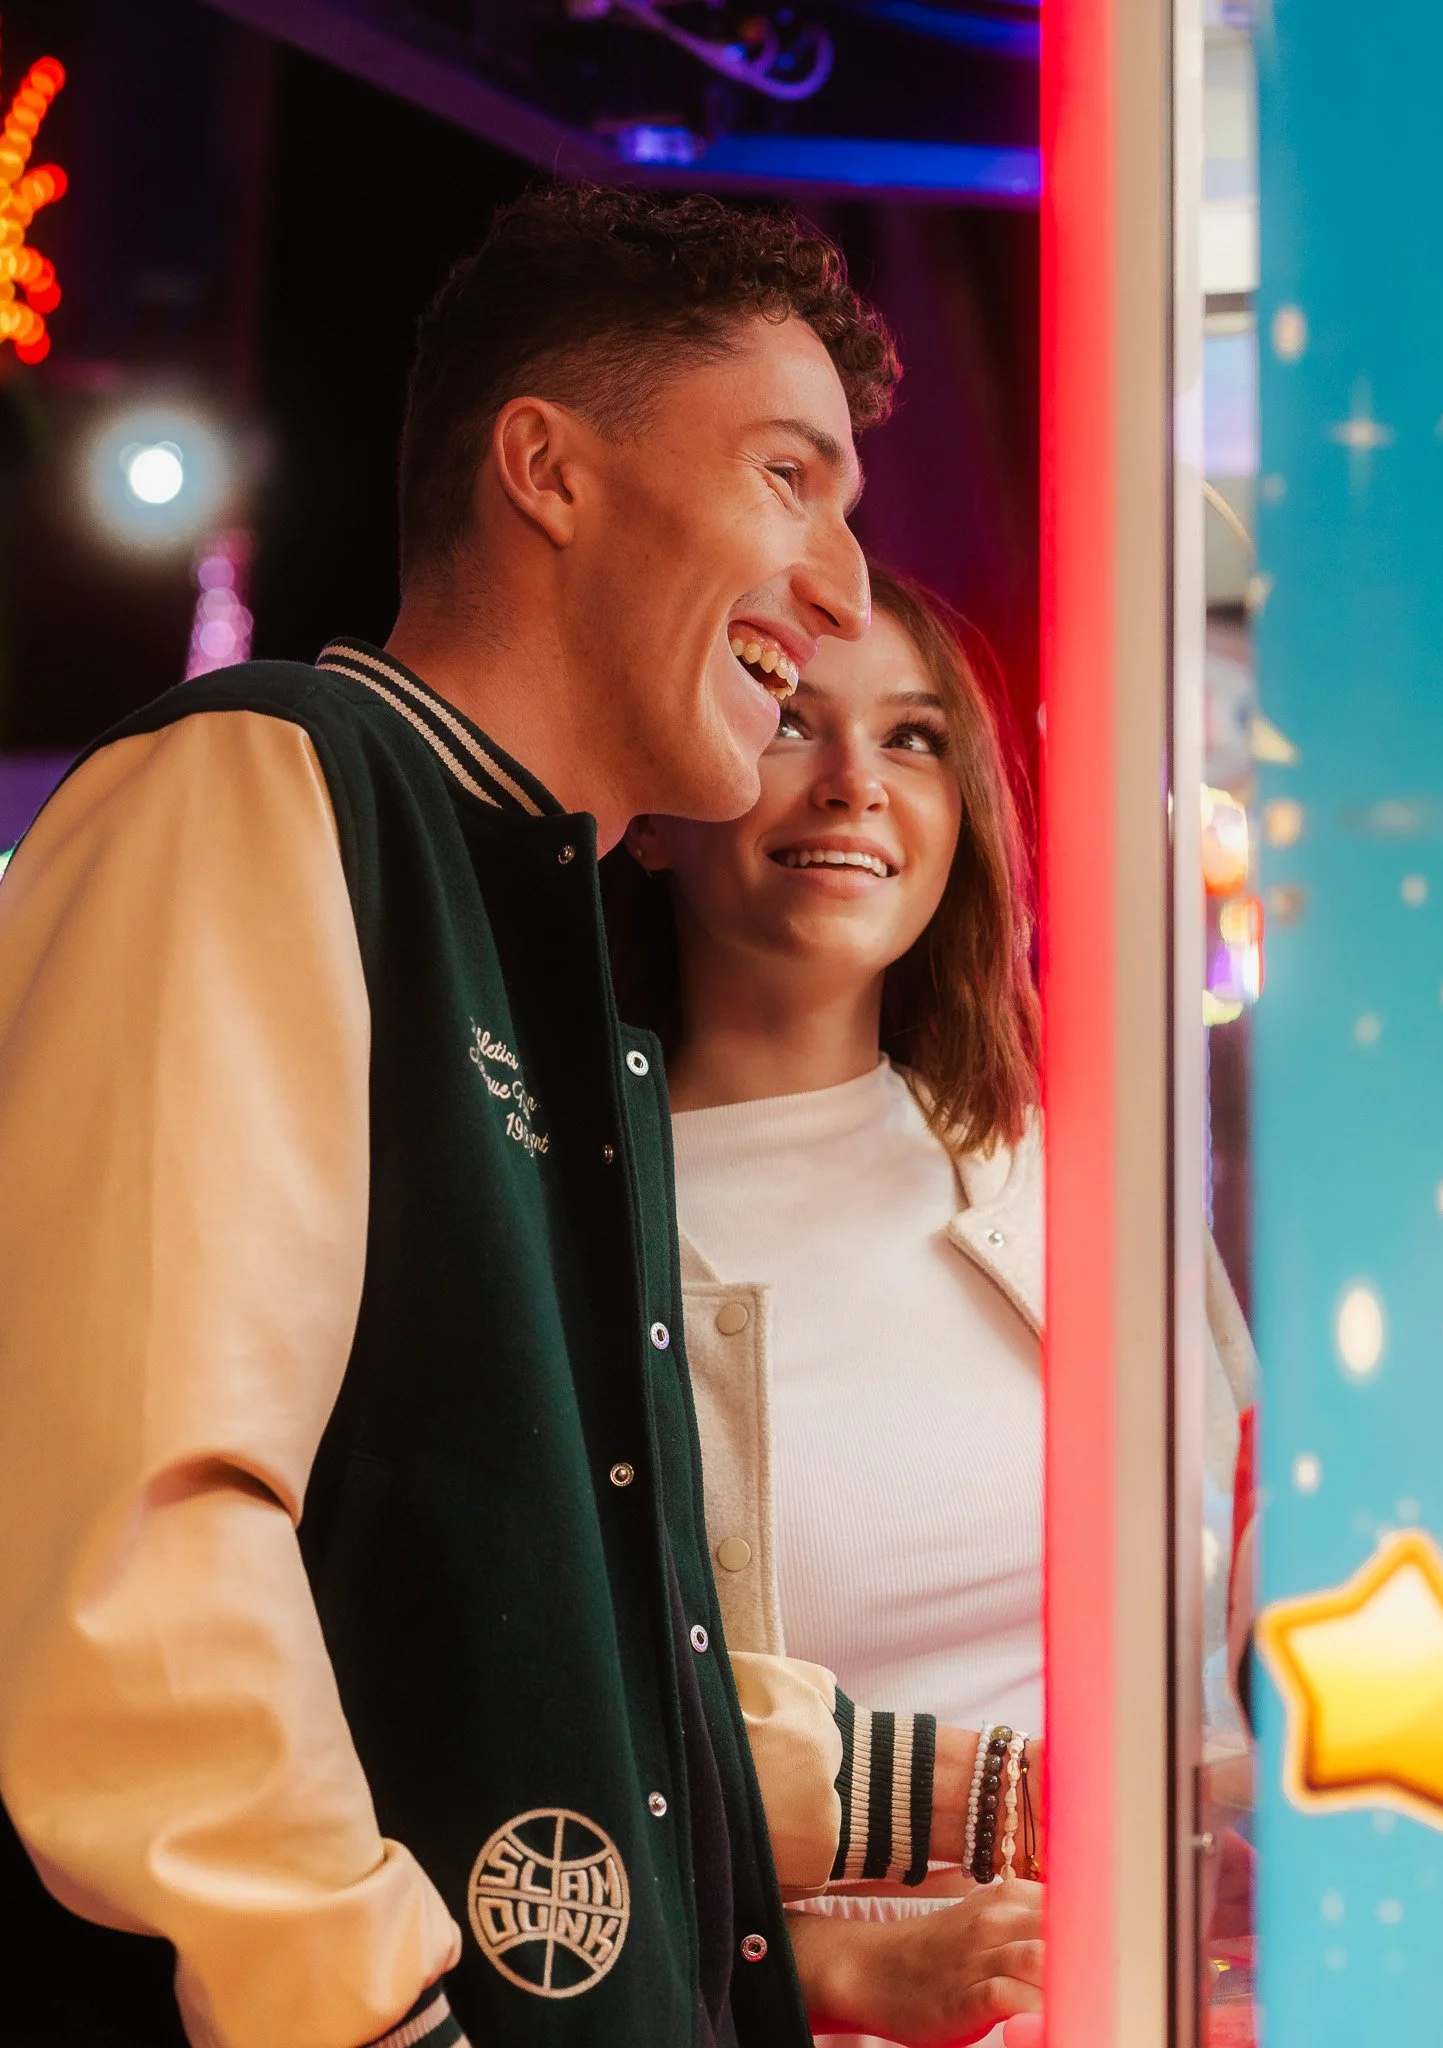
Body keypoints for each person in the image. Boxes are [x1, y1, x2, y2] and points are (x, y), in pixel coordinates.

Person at [0, 185, 899, 2048]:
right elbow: (138, 1536)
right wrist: (372, 2016)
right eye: (788, 479)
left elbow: (544, 1614)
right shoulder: (264, 783)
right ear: (546, 469)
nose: (845, 593)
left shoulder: (536, 924)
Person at [607, 563, 1254, 2046]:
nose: (852, 785)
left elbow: (1243, 1645)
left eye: (911, 740)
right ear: (657, 805)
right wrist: (827, 1963)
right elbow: (540, 1748)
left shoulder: (1078, 1177)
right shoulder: (570, 1224)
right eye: (789, 723)